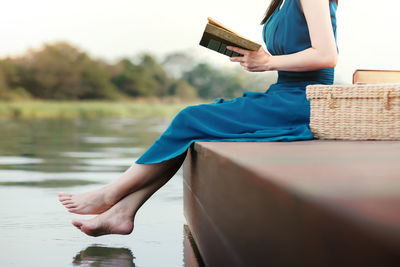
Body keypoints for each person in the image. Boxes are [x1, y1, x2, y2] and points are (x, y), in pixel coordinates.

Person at [58, 0, 338, 237]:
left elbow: (327, 56)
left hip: (304, 99)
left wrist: (268, 62)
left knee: (189, 118)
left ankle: (111, 195)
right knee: (193, 123)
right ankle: (122, 212)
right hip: (282, 93)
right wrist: (257, 57)